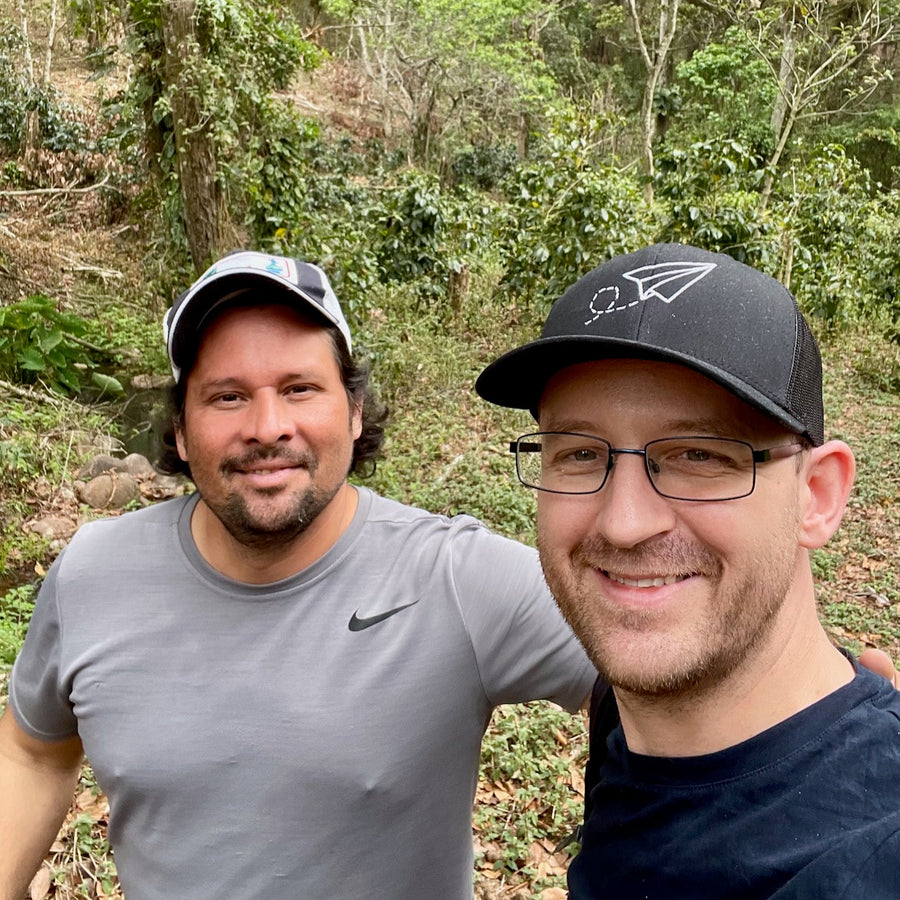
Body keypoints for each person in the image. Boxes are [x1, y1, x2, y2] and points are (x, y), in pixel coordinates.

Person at [0, 250, 598, 899]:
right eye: (227, 396)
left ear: (354, 409)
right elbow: (30, 753)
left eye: (299, 388)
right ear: (177, 430)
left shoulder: (458, 578)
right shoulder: (94, 574)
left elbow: (688, 690)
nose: (267, 428)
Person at [475, 243, 900, 898]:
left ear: (816, 496)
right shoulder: (627, 713)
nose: (623, 523)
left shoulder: (871, 857)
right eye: (581, 454)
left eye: (699, 454)